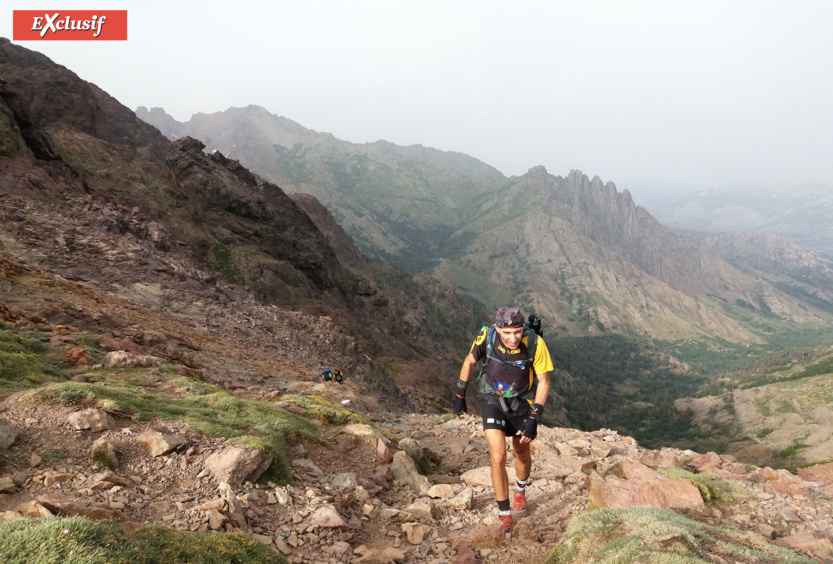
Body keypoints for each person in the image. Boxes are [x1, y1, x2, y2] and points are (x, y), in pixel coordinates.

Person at [453, 306, 552, 538]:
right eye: (507, 333)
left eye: (517, 332)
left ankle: (520, 492)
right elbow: (469, 361)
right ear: (497, 328)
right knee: (497, 455)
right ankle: (504, 513)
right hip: (493, 401)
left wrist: (534, 418)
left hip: (522, 404)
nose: (513, 338)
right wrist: (460, 394)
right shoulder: (486, 336)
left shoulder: (535, 343)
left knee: (521, 453)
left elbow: (544, 381)